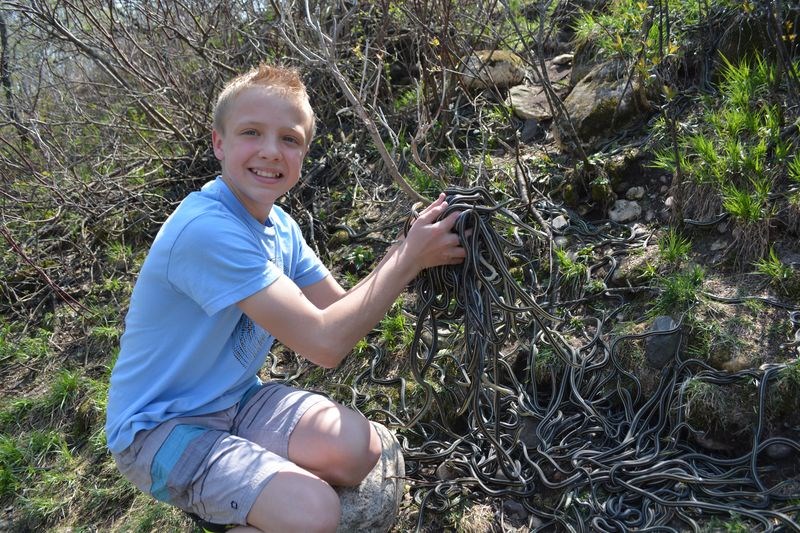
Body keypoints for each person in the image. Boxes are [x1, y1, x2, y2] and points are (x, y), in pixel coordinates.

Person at [104, 63, 466, 533]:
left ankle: (246, 490)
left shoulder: (280, 227)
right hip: (159, 429)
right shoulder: (206, 231)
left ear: (304, 153)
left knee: (358, 450)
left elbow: (337, 308)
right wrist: (407, 257)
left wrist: (412, 252)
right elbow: (325, 344)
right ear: (219, 143)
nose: (271, 151)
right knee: (314, 512)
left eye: (290, 139)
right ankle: (235, 503)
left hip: (237, 399)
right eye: (252, 132)